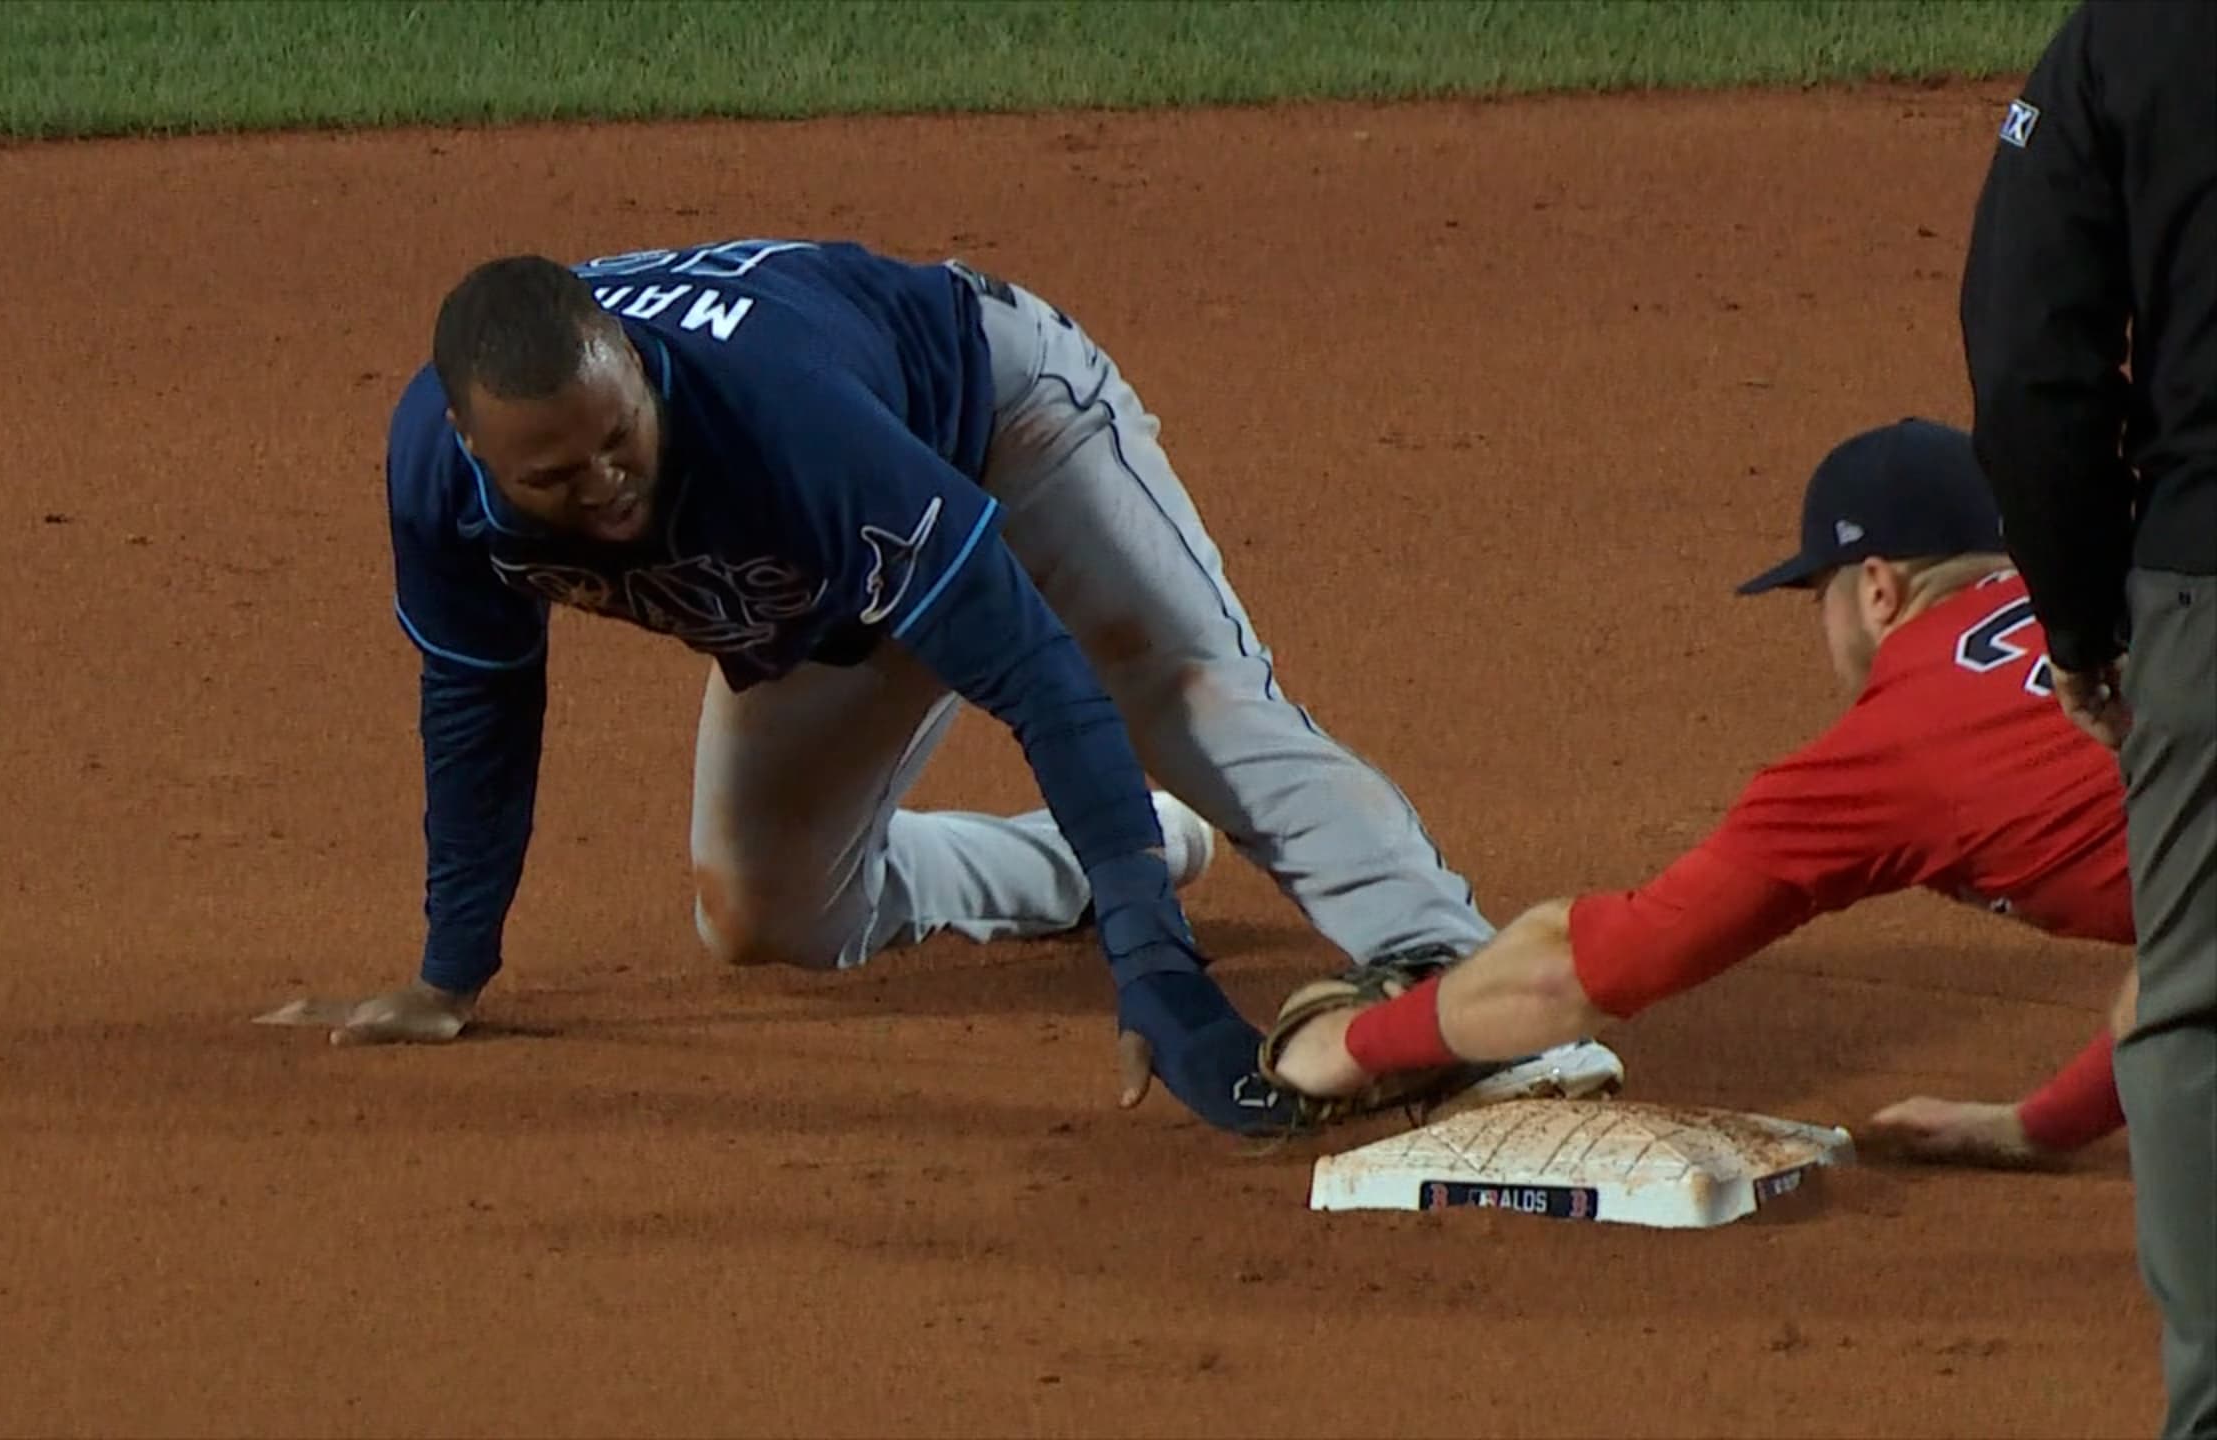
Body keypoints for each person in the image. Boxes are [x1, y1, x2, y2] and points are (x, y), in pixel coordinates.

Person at [255, 236, 1618, 1136]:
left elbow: (1037, 672)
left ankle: (1462, 977)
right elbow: (479, 704)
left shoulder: (773, 413)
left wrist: (1157, 967)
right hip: (829, 575)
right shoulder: (438, 482)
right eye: (554, 475)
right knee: (766, 915)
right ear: (472, 445)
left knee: (1176, 692)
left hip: (1002, 425)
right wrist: (452, 972)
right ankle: (1095, 859)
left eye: (620, 437)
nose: (602, 481)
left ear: (629, 356)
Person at [1256, 420, 2141, 1168]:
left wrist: (1352, 1048)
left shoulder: (1899, 749)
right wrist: (2037, 1128)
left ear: (1877, 588)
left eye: (1817, 595)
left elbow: (1583, 966)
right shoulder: (2138, 596)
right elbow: (2191, 944)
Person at [1956, 3, 2217, 1433]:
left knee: (2202, 1015)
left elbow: (2030, 362)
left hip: (2209, 584)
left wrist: (2082, 619)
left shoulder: (2132, 33)